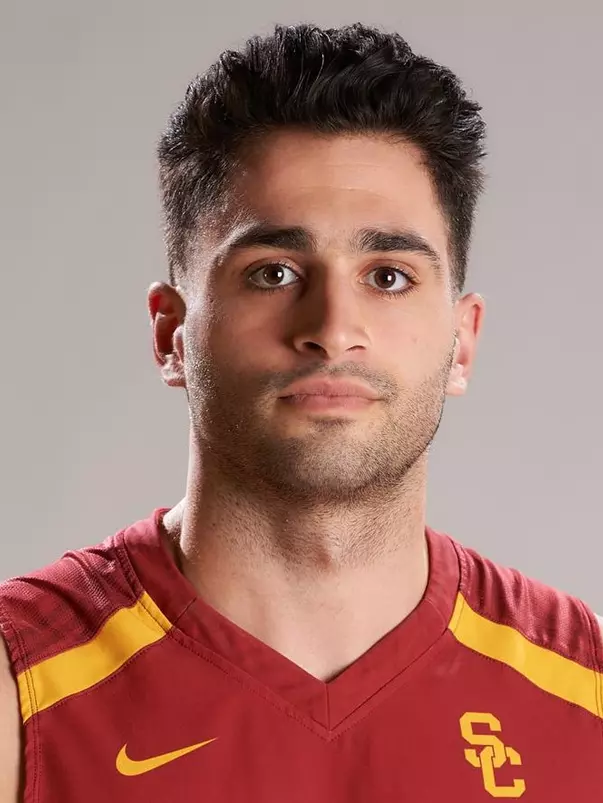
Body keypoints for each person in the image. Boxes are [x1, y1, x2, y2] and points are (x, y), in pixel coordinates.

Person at [1, 21, 601, 803]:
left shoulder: (583, 695)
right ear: (169, 333)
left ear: (461, 342)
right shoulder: (22, 692)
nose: (331, 328)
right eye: (273, 271)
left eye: (387, 276)